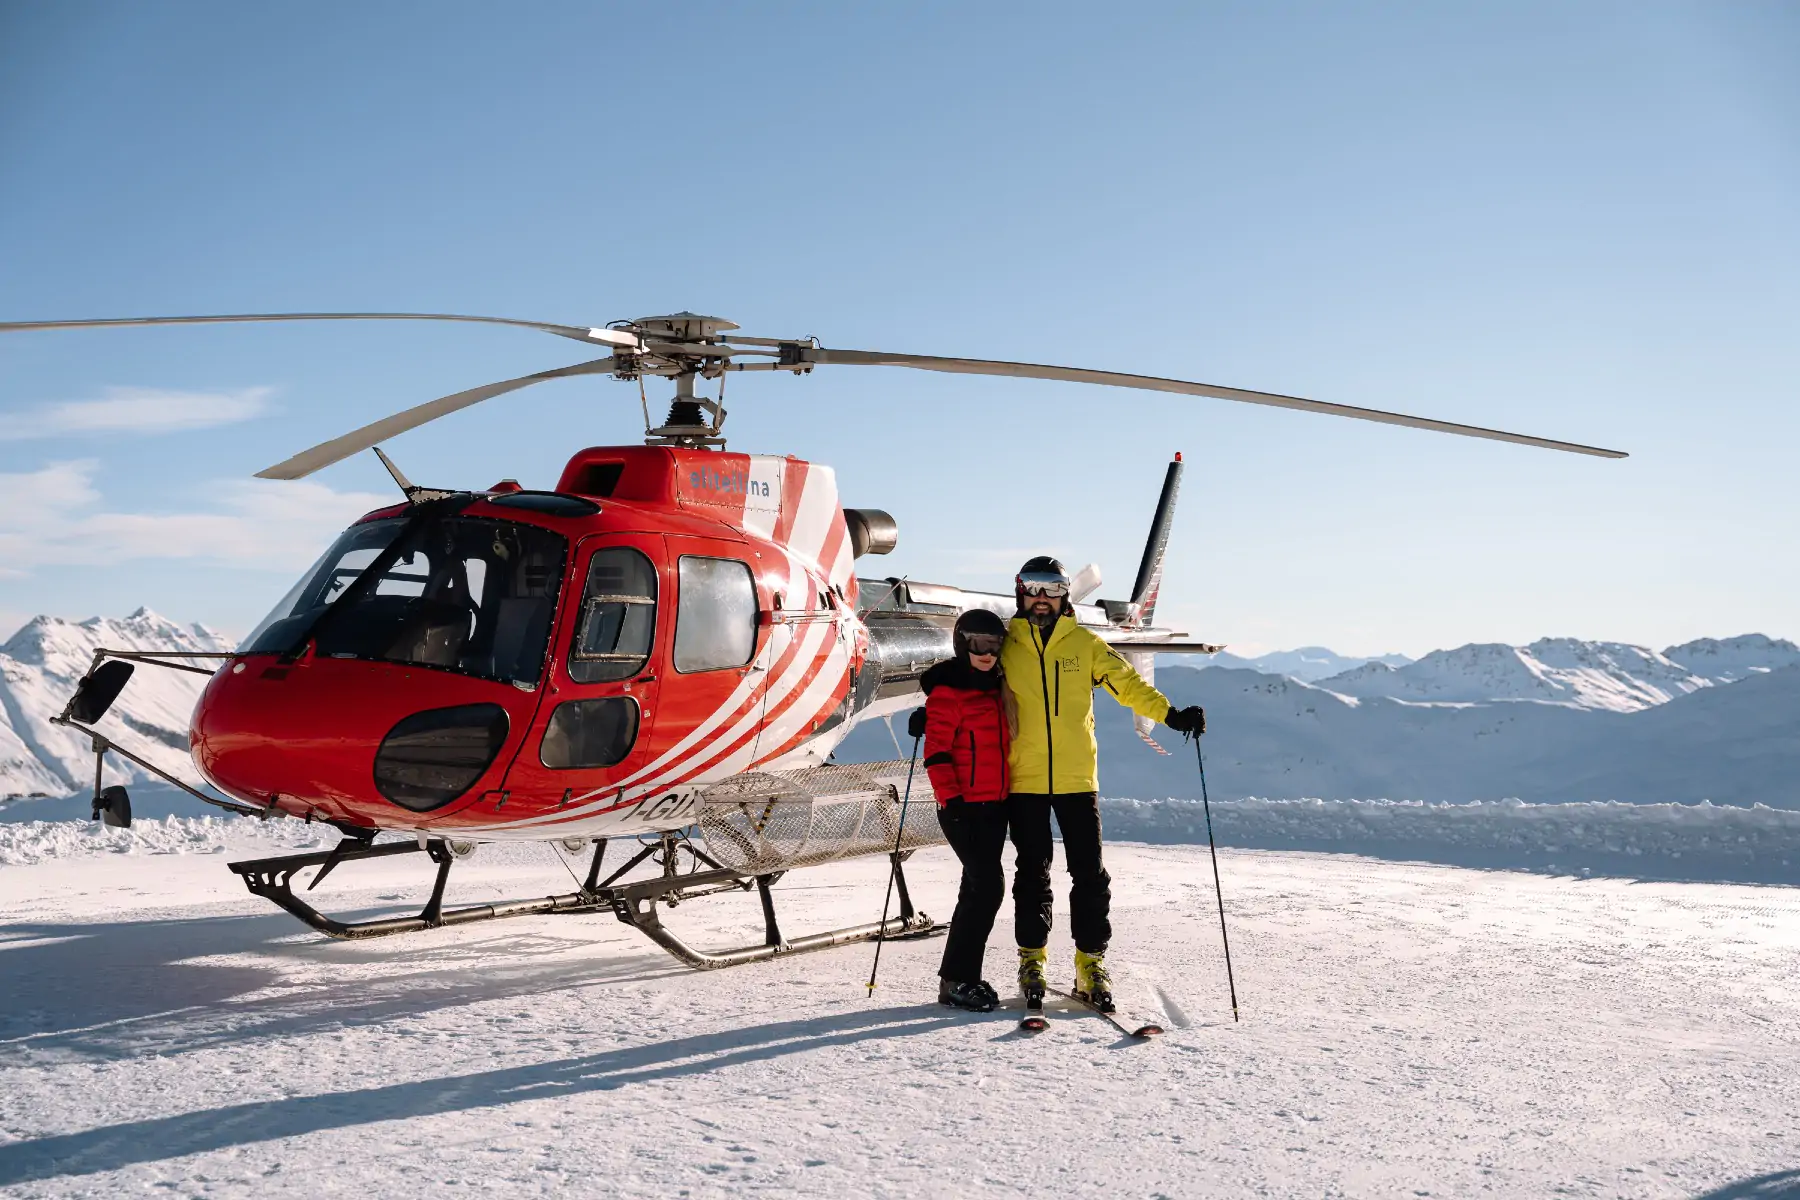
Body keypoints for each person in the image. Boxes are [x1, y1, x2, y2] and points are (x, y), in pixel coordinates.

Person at [1002, 556, 1205, 1012]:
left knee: (1089, 876)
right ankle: (1031, 960)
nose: (1042, 598)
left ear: (1063, 595)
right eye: (1033, 588)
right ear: (1019, 592)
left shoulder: (1086, 645)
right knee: (1031, 876)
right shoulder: (1005, 645)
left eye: (1052, 588)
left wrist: (1170, 716)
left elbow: (1127, 684)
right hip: (1024, 779)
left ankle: (1089, 962)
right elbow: (967, 679)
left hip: (1077, 779)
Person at [909, 607, 1014, 1012]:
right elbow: (936, 754)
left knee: (975, 888)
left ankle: (958, 979)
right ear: (961, 644)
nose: (987, 653)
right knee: (987, 888)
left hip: (996, 805)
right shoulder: (948, 691)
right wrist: (951, 802)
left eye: (994, 645)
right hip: (963, 808)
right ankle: (958, 980)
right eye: (978, 645)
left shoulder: (995, 687)